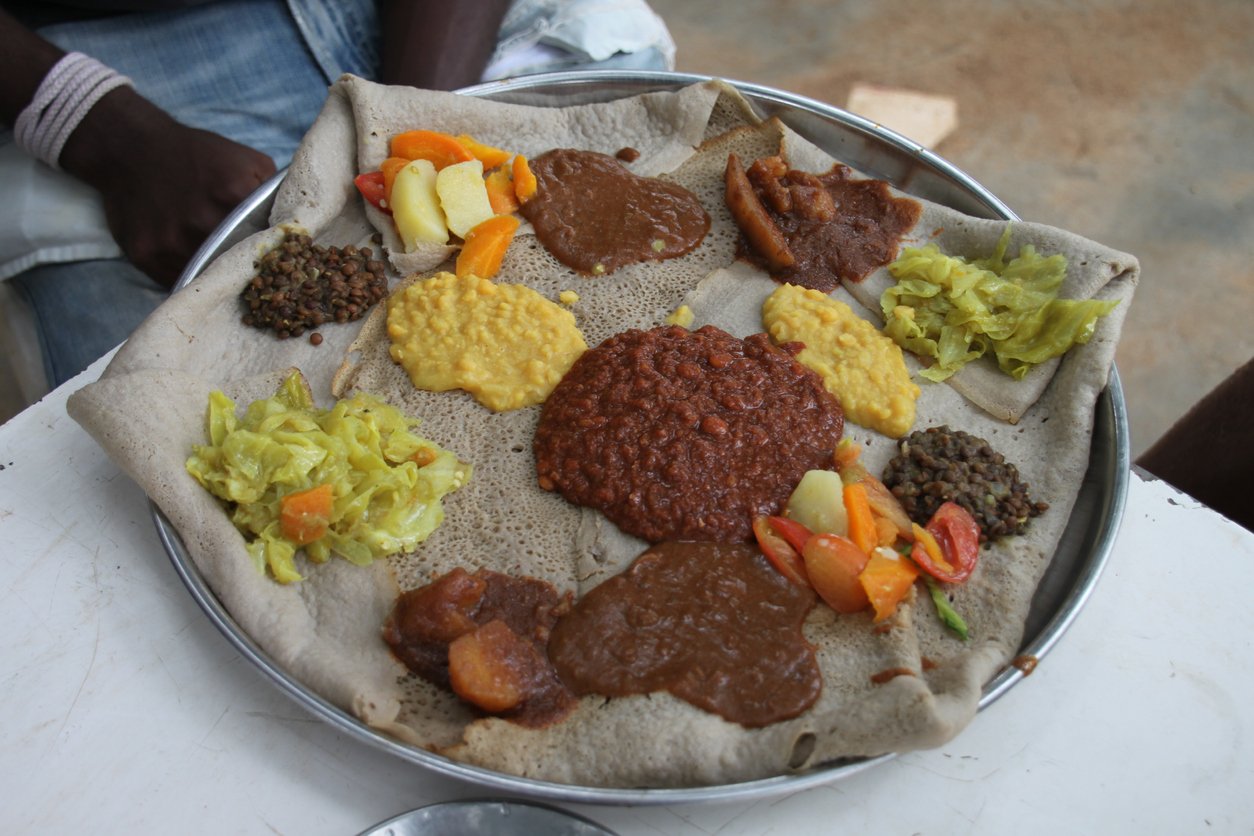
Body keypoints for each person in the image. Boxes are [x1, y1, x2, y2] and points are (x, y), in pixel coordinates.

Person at [0, 0, 675, 389]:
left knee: (633, 130)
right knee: (136, 383)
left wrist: (420, 123)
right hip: (67, 50)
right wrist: (108, 136)